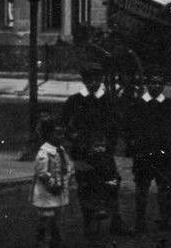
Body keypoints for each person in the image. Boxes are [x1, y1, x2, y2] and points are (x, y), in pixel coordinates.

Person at [60, 65, 127, 236]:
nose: (93, 83)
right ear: (84, 81)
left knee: (111, 183)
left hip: (104, 152)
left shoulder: (109, 100)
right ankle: (89, 223)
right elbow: (62, 125)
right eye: (89, 80)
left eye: (97, 79)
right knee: (86, 187)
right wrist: (74, 139)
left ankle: (115, 220)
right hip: (82, 153)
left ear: (102, 80)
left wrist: (110, 144)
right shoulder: (74, 101)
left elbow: (118, 125)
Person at [126, 72, 171, 233]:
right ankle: (140, 221)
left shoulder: (170, 105)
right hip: (143, 155)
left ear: (163, 85)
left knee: (163, 188)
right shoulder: (137, 104)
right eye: (152, 82)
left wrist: (169, 149)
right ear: (147, 84)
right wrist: (135, 148)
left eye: (159, 83)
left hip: (163, 156)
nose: (156, 86)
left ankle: (165, 220)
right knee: (141, 189)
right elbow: (129, 129)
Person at [31, 119, 75, 248]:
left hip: (59, 189)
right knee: (46, 216)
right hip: (48, 191)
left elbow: (67, 164)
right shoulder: (44, 153)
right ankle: (40, 240)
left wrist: (69, 174)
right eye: (57, 134)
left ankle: (55, 241)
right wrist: (52, 184)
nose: (60, 137)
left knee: (57, 216)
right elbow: (42, 172)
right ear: (48, 135)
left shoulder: (60, 150)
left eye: (62, 134)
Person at [74, 137, 121, 244]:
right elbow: (85, 179)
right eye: (96, 146)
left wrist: (115, 180)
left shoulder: (108, 159)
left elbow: (115, 173)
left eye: (102, 146)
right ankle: (92, 237)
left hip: (106, 190)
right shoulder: (87, 160)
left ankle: (112, 228)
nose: (100, 149)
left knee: (107, 211)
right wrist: (105, 183)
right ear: (91, 147)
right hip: (90, 191)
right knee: (91, 215)